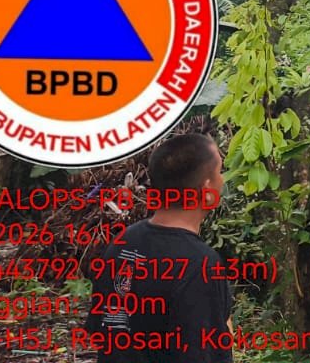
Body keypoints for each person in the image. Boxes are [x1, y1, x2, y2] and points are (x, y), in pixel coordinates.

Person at [83, 131, 232, 362]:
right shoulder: (200, 265)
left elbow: (103, 330)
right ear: (207, 189)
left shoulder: (122, 243)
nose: (223, 180)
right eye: (219, 172)